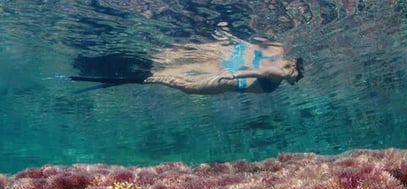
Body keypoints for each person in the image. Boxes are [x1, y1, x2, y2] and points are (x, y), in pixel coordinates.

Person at [70, 33, 304, 95]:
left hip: (229, 69)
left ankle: (139, 74)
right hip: (227, 77)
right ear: (294, 65)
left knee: (174, 73)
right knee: (183, 84)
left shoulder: (278, 50)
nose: (290, 79)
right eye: (294, 75)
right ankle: (143, 77)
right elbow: (260, 69)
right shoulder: (277, 68)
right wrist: (234, 73)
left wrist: (240, 43)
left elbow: (261, 48)